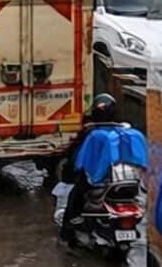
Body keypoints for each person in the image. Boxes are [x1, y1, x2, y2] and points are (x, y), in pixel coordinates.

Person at [58, 93, 147, 246]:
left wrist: (72, 172)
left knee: (75, 196)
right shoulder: (129, 134)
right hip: (130, 185)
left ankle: (66, 236)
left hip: (100, 183)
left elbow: (79, 161)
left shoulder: (93, 135)